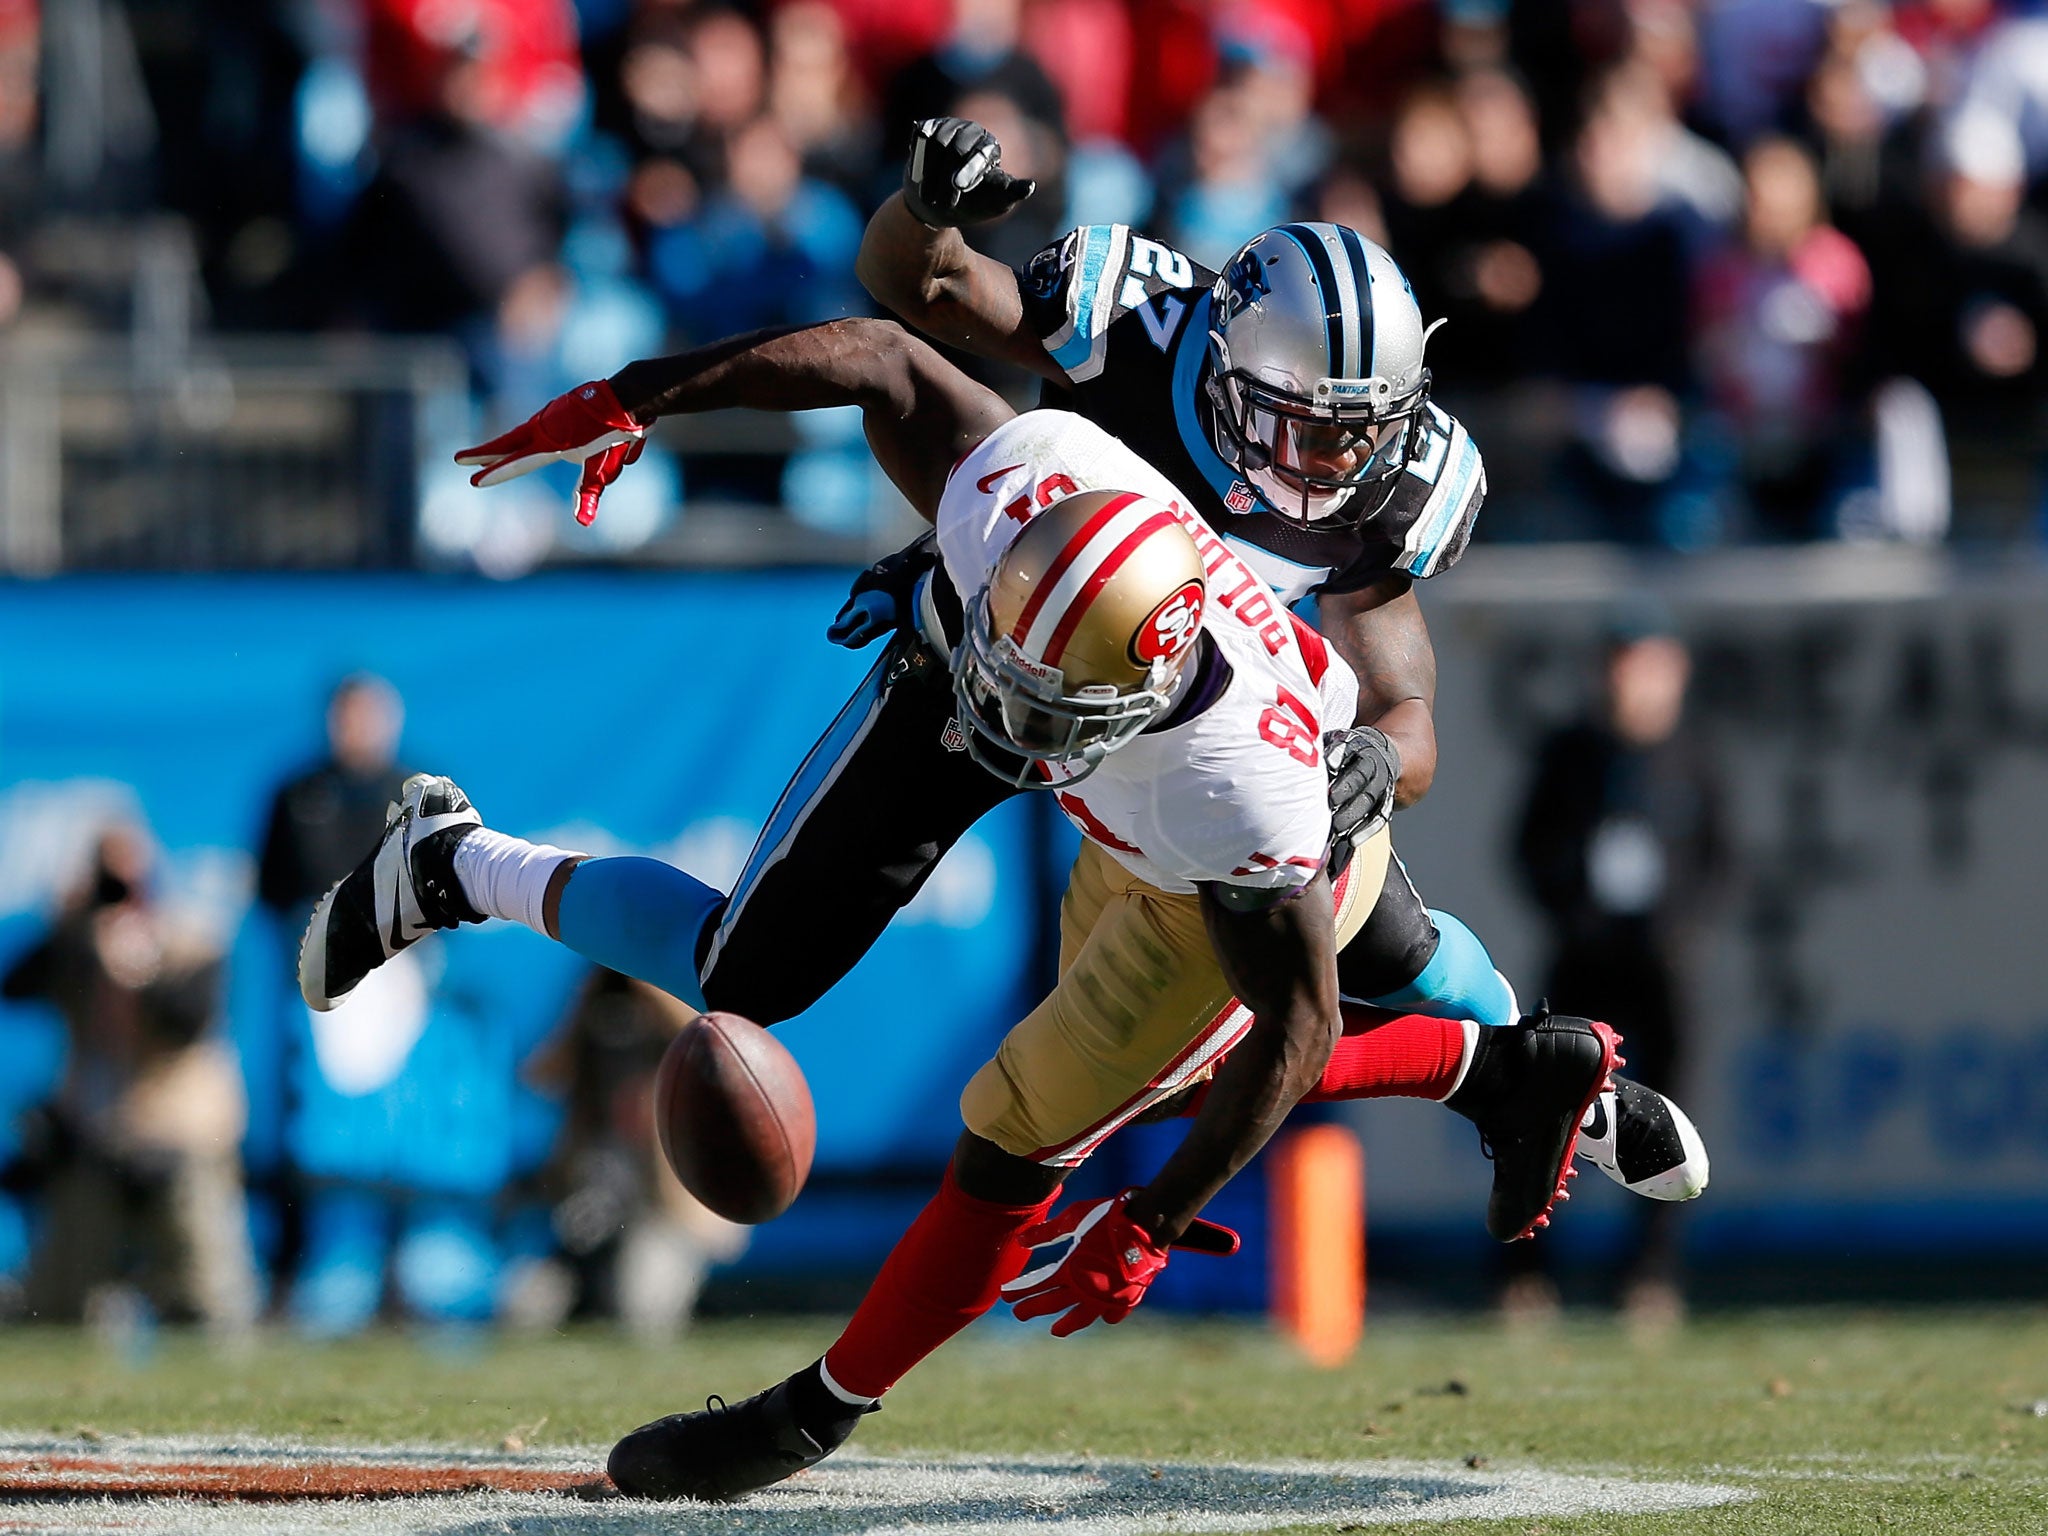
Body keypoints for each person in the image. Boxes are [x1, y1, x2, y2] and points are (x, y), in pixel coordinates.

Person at [301, 319, 1685, 1497]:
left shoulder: (1236, 796)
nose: (1009, 724)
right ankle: (451, 866)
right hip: (1070, 689)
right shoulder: (1033, 478)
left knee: (1023, 1136)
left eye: (1047, 711)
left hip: (1227, 852)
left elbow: (1300, 1019)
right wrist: (641, 392)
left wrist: (1151, 1218)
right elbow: (881, 353)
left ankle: (809, 1415)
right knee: (754, 968)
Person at [1514, 615, 1725, 1320]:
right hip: (1584, 959)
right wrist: (1573, 913)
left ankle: (1650, 1276)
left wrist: (1682, 926)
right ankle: (1525, 1271)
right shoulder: (1572, 751)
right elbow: (1529, 846)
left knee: (1668, 1119)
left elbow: (1722, 858)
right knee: (1552, 1110)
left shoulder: (1694, 755)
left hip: (1663, 964)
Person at [3, 824, 257, 1328]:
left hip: (181, 1140)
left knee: (207, 1301)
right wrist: (68, 931)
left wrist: (141, 971)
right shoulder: (75, 946)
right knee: (60, 1306)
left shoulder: (190, 937)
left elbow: (189, 1019)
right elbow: (14, 986)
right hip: (99, 1137)